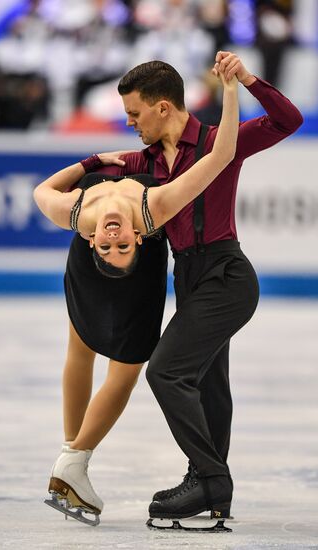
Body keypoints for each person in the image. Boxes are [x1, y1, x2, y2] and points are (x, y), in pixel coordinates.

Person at [84, 51, 303, 525]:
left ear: (163, 107)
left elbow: (289, 120)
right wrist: (89, 163)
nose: (130, 123)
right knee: (208, 384)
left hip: (226, 276)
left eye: (135, 114)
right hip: (187, 276)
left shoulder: (217, 141)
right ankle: (208, 485)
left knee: (166, 372)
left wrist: (246, 80)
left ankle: (211, 479)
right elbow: (86, 187)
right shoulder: (140, 162)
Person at [33, 63, 239, 524]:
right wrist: (229, 91)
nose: (111, 237)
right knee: (84, 348)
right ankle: (73, 458)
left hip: (114, 276)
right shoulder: (152, 210)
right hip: (98, 274)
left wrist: (90, 164)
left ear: (95, 244)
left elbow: (41, 191)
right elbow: (221, 154)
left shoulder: (79, 217)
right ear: (136, 242)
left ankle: (72, 459)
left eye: (112, 244)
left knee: (116, 360)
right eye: (116, 244)